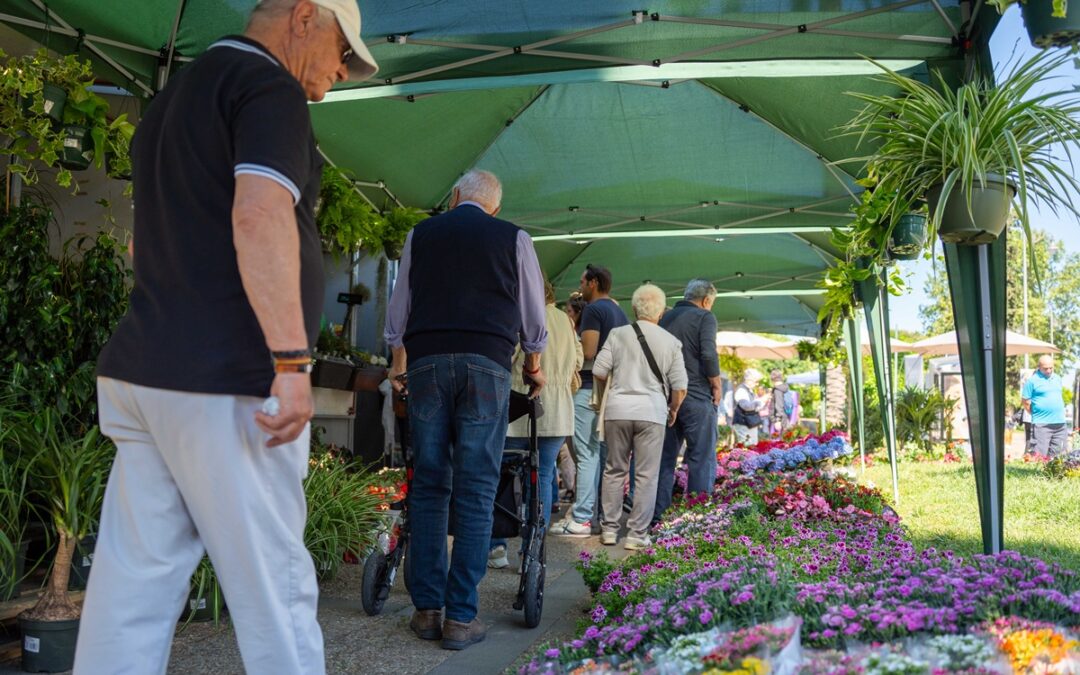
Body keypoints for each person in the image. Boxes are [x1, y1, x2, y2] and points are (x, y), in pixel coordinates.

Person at [74, 2, 378, 673]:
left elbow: (142, 241)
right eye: (342, 51)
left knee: (132, 592)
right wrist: (292, 362)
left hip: (146, 370)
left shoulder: (174, 96)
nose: (341, 71)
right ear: (304, 15)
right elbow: (260, 214)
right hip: (228, 380)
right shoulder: (267, 87)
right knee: (275, 594)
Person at [384, 169, 548, 651]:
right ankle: (460, 618)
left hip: (428, 363)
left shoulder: (421, 234)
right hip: (487, 363)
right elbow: (532, 312)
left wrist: (399, 362)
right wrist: (534, 364)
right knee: (477, 488)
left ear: (455, 196)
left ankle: (427, 611)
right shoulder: (513, 237)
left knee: (430, 484)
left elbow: (400, 306)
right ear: (495, 207)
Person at [488, 279, 583, 569]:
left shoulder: (521, 316)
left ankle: (497, 547)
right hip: (557, 412)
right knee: (541, 478)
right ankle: (532, 552)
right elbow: (579, 360)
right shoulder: (565, 321)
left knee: (504, 477)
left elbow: (507, 356)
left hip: (520, 408)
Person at [593, 284, 687, 550]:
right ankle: (636, 534)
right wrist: (673, 409)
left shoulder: (618, 334)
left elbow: (599, 370)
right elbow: (680, 386)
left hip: (617, 411)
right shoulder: (670, 341)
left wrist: (611, 392)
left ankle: (609, 529)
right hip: (652, 412)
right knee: (646, 474)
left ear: (634, 308)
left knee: (614, 469)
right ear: (661, 312)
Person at [552, 264, 629, 537]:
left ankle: (582, 517)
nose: (580, 286)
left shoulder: (594, 310)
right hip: (611, 390)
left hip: (588, 388)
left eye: (583, 282)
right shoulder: (619, 311)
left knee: (586, 454)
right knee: (602, 456)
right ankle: (598, 516)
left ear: (593, 283)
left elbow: (587, 352)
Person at [653, 279, 721, 525]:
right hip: (696, 395)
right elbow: (708, 353)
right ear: (706, 300)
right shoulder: (705, 317)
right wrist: (716, 383)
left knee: (664, 460)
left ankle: (658, 518)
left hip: (666, 397)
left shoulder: (665, 318)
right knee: (701, 458)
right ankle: (696, 519)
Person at [1022, 355, 1069, 457]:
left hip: (1060, 424)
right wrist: (1036, 412)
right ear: (1039, 367)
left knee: (1059, 458)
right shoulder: (1032, 381)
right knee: (1039, 456)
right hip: (1041, 424)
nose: (1048, 371)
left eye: (1051, 368)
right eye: (1045, 368)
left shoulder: (1057, 378)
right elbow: (1025, 401)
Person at [732, 369, 766, 446]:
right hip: (743, 424)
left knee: (752, 446)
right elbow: (746, 406)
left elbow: (754, 408)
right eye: (756, 381)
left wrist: (761, 402)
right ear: (749, 380)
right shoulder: (741, 390)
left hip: (750, 423)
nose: (757, 384)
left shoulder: (750, 390)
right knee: (745, 447)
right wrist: (760, 400)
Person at [768, 368, 794, 435]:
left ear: (772, 379)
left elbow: (779, 405)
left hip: (779, 420)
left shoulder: (778, 390)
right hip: (785, 416)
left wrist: (778, 420)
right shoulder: (784, 388)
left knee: (777, 439)